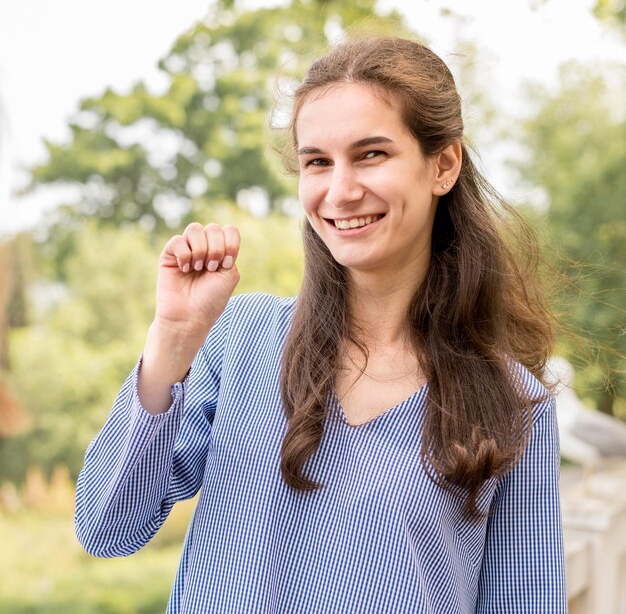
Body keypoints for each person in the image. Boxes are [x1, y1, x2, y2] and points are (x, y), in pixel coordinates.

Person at [75, 36, 567, 613]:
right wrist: (172, 341)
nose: (340, 191)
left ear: (443, 165)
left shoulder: (513, 402)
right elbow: (106, 527)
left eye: (372, 154)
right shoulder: (242, 338)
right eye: (317, 162)